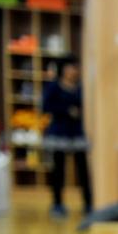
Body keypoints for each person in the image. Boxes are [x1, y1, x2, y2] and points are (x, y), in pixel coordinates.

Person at [42, 56, 92, 218]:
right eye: (70, 67)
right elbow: (46, 106)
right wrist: (66, 110)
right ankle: (57, 204)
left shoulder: (80, 87)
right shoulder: (54, 87)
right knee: (58, 171)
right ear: (63, 69)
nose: (73, 71)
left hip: (76, 133)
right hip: (59, 132)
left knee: (83, 171)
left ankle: (88, 203)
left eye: (75, 67)